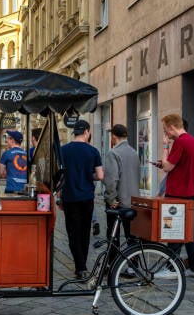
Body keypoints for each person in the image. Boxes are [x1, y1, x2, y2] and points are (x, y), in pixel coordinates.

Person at [153, 114, 194, 280]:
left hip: (178, 194)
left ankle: (171, 268)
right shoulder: (193, 141)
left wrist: (165, 147)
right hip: (191, 194)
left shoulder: (180, 141)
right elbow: (179, 165)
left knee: (173, 232)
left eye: (165, 130)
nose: (165, 134)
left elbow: (167, 167)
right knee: (190, 233)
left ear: (172, 127)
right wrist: (166, 161)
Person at [59, 119, 104, 279]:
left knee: (73, 232)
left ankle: (80, 267)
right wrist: (87, 175)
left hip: (69, 196)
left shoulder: (63, 150)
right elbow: (100, 175)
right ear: (87, 132)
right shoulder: (93, 152)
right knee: (85, 231)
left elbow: (58, 176)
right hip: (87, 197)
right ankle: (83, 265)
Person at [103, 124, 140, 263]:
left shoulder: (113, 153)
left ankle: (113, 263)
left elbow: (112, 180)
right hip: (133, 200)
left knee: (113, 235)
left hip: (118, 201)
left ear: (113, 136)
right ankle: (133, 265)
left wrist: (111, 199)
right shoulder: (134, 152)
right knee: (131, 235)